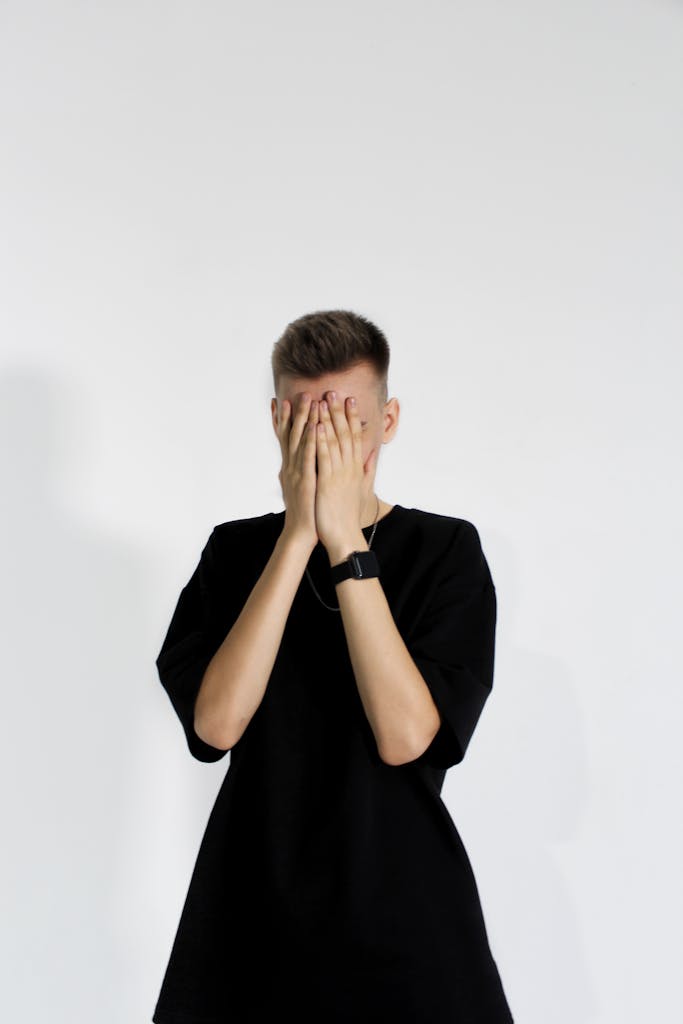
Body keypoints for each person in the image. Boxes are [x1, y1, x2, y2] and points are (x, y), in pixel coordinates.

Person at [152, 309, 514, 1023]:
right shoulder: (233, 554)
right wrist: (296, 537)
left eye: (349, 418)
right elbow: (216, 725)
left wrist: (347, 540)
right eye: (308, 419)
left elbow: (405, 736)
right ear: (277, 419)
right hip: (248, 919)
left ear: (387, 421)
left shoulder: (444, 552)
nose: (329, 440)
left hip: (404, 917)